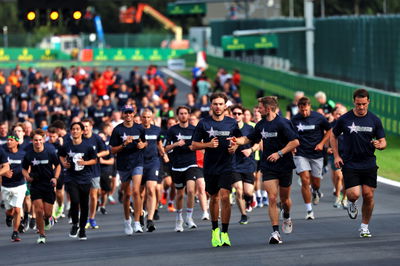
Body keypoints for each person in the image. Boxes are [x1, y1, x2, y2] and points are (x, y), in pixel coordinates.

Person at [232, 96, 299, 244]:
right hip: (268, 166)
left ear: (268, 109)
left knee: (285, 200)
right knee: (272, 197)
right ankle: (275, 232)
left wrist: (280, 153)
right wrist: (235, 140)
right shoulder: (260, 125)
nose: (258, 109)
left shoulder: (283, 123)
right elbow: (248, 139)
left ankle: (286, 216)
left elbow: (295, 141)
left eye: (260, 107)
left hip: (285, 165)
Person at [331, 89, 386, 238]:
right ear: (353, 102)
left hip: (368, 163)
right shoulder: (345, 119)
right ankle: (352, 203)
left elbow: (383, 141)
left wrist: (380, 145)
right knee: (354, 194)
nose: (361, 107)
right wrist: (336, 156)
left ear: (368, 102)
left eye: (363, 104)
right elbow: (333, 135)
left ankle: (364, 227)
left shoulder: (374, 120)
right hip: (350, 163)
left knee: (368, 195)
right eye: (358, 104)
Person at [191, 92, 242, 247]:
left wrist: (235, 146)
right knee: (214, 197)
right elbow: (193, 144)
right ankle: (215, 230)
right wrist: (207, 145)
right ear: (211, 105)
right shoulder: (203, 123)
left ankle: (225, 232)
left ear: (225, 106)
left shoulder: (232, 123)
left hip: (228, 165)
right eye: (215, 104)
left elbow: (238, 140)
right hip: (211, 165)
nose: (218, 107)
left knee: (225, 196)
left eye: (221, 104)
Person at [291, 97, 332, 220]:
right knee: (305, 180)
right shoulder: (294, 120)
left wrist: (321, 143)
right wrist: (292, 147)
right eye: (302, 110)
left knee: (316, 182)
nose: (304, 113)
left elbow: (329, 130)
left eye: (306, 110)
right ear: (299, 108)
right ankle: (309, 210)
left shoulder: (318, 117)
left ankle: (316, 191)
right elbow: (289, 134)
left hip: (316, 154)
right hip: (301, 153)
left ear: (310, 107)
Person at [110, 105, 147, 235]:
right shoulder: (117, 130)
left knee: (136, 191)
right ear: (123, 114)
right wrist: (124, 144)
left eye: (130, 113)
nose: (128, 115)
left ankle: (137, 222)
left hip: (137, 162)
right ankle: (127, 221)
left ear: (134, 113)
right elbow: (112, 150)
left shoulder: (139, 127)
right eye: (126, 113)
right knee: (127, 194)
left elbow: (145, 142)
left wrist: (143, 144)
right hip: (123, 164)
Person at [165, 106, 202, 232]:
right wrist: (176, 144)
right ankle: (179, 218)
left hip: (191, 163)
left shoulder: (194, 129)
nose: (183, 116)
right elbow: (165, 148)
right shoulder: (172, 130)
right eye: (181, 114)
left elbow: (199, 145)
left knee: (191, 190)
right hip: (177, 165)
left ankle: (189, 217)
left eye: (185, 113)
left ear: (189, 115)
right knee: (180, 194)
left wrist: (195, 147)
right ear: (177, 116)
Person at [59, 122, 97, 241]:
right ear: (71, 131)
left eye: (77, 129)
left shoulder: (88, 146)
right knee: (75, 201)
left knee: (84, 204)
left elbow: (94, 160)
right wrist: (64, 163)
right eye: (73, 129)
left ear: (82, 131)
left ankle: (82, 229)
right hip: (71, 177)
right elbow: (60, 156)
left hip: (85, 177)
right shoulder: (66, 145)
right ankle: (75, 224)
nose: (75, 131)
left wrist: (85, 163)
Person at [22, 129, 61, 244]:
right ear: (32, 141)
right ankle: (41, 234)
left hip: (48, 184)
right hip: (36, 185)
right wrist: (27, 177)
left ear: (43, 140)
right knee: (38, 210)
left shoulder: (50, 152)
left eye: (40, 140)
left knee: (47, 213)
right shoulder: (29, 155)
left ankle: (48, 220)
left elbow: (58, 165)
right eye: (35, 140)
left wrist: (55, 178)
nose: (38, 142)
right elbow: (24, 169)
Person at [230, 105, 259, 225]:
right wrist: (232, 148)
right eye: (234, 113)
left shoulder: (250, 128)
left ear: (242, 115)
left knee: (248, 192)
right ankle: (243, 215)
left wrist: (250, 150)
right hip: (233, 164)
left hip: (248, 163)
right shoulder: (229, 129)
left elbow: (258, 144)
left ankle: (250, 199)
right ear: (231, 115)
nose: (237, 115)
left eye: (239, 113)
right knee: (238, 190)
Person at [140, 108, 166, 232]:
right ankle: (139, 214)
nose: (146, 119)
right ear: (141, 118)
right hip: (139, 163)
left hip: (153, 162)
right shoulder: (136, 129)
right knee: (139, 193)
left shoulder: (157, 130)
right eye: (144, 117)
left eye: (148, 117)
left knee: (151, 189)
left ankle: (149, 220)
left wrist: (164, 154)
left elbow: (159, 144)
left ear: (152, 118)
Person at [82, 118, 109, 230]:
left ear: (91, 127)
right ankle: (83, 219)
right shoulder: (78, 138)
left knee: (93, 196)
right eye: (83, 127)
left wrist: (95, 155)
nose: (85, 129)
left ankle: (91, 218)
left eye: (87, 126)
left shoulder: (97, 138)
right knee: (82, 197)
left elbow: (106, 151)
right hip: (81, 172)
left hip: (94, 171)